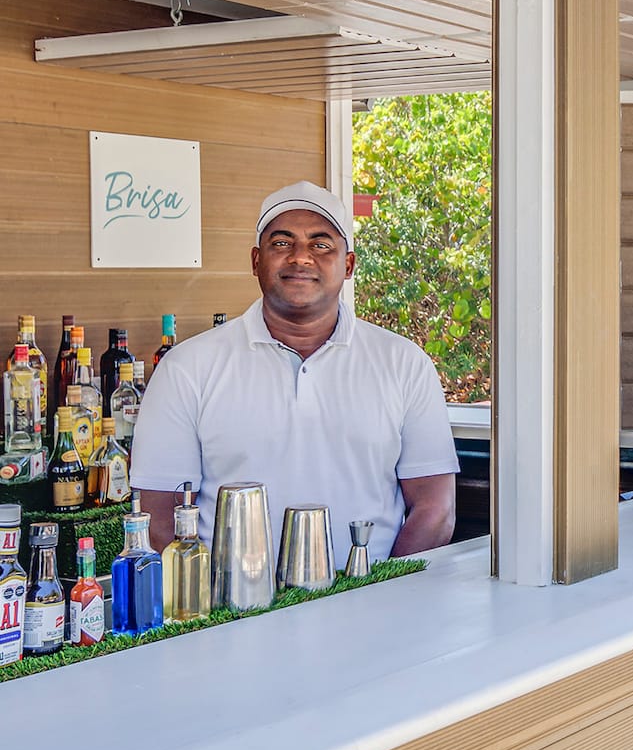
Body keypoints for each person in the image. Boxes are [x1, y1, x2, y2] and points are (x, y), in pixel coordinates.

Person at [130, 181, 458, 572]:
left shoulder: (403, 363)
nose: (301, 258)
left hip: (372, 610)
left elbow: (435, 510)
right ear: (256, 261)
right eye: (282, 243)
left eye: (321, 245)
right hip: (232, 619)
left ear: (348, 265)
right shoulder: (187, 368)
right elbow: (159, 521)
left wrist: (382, 594)